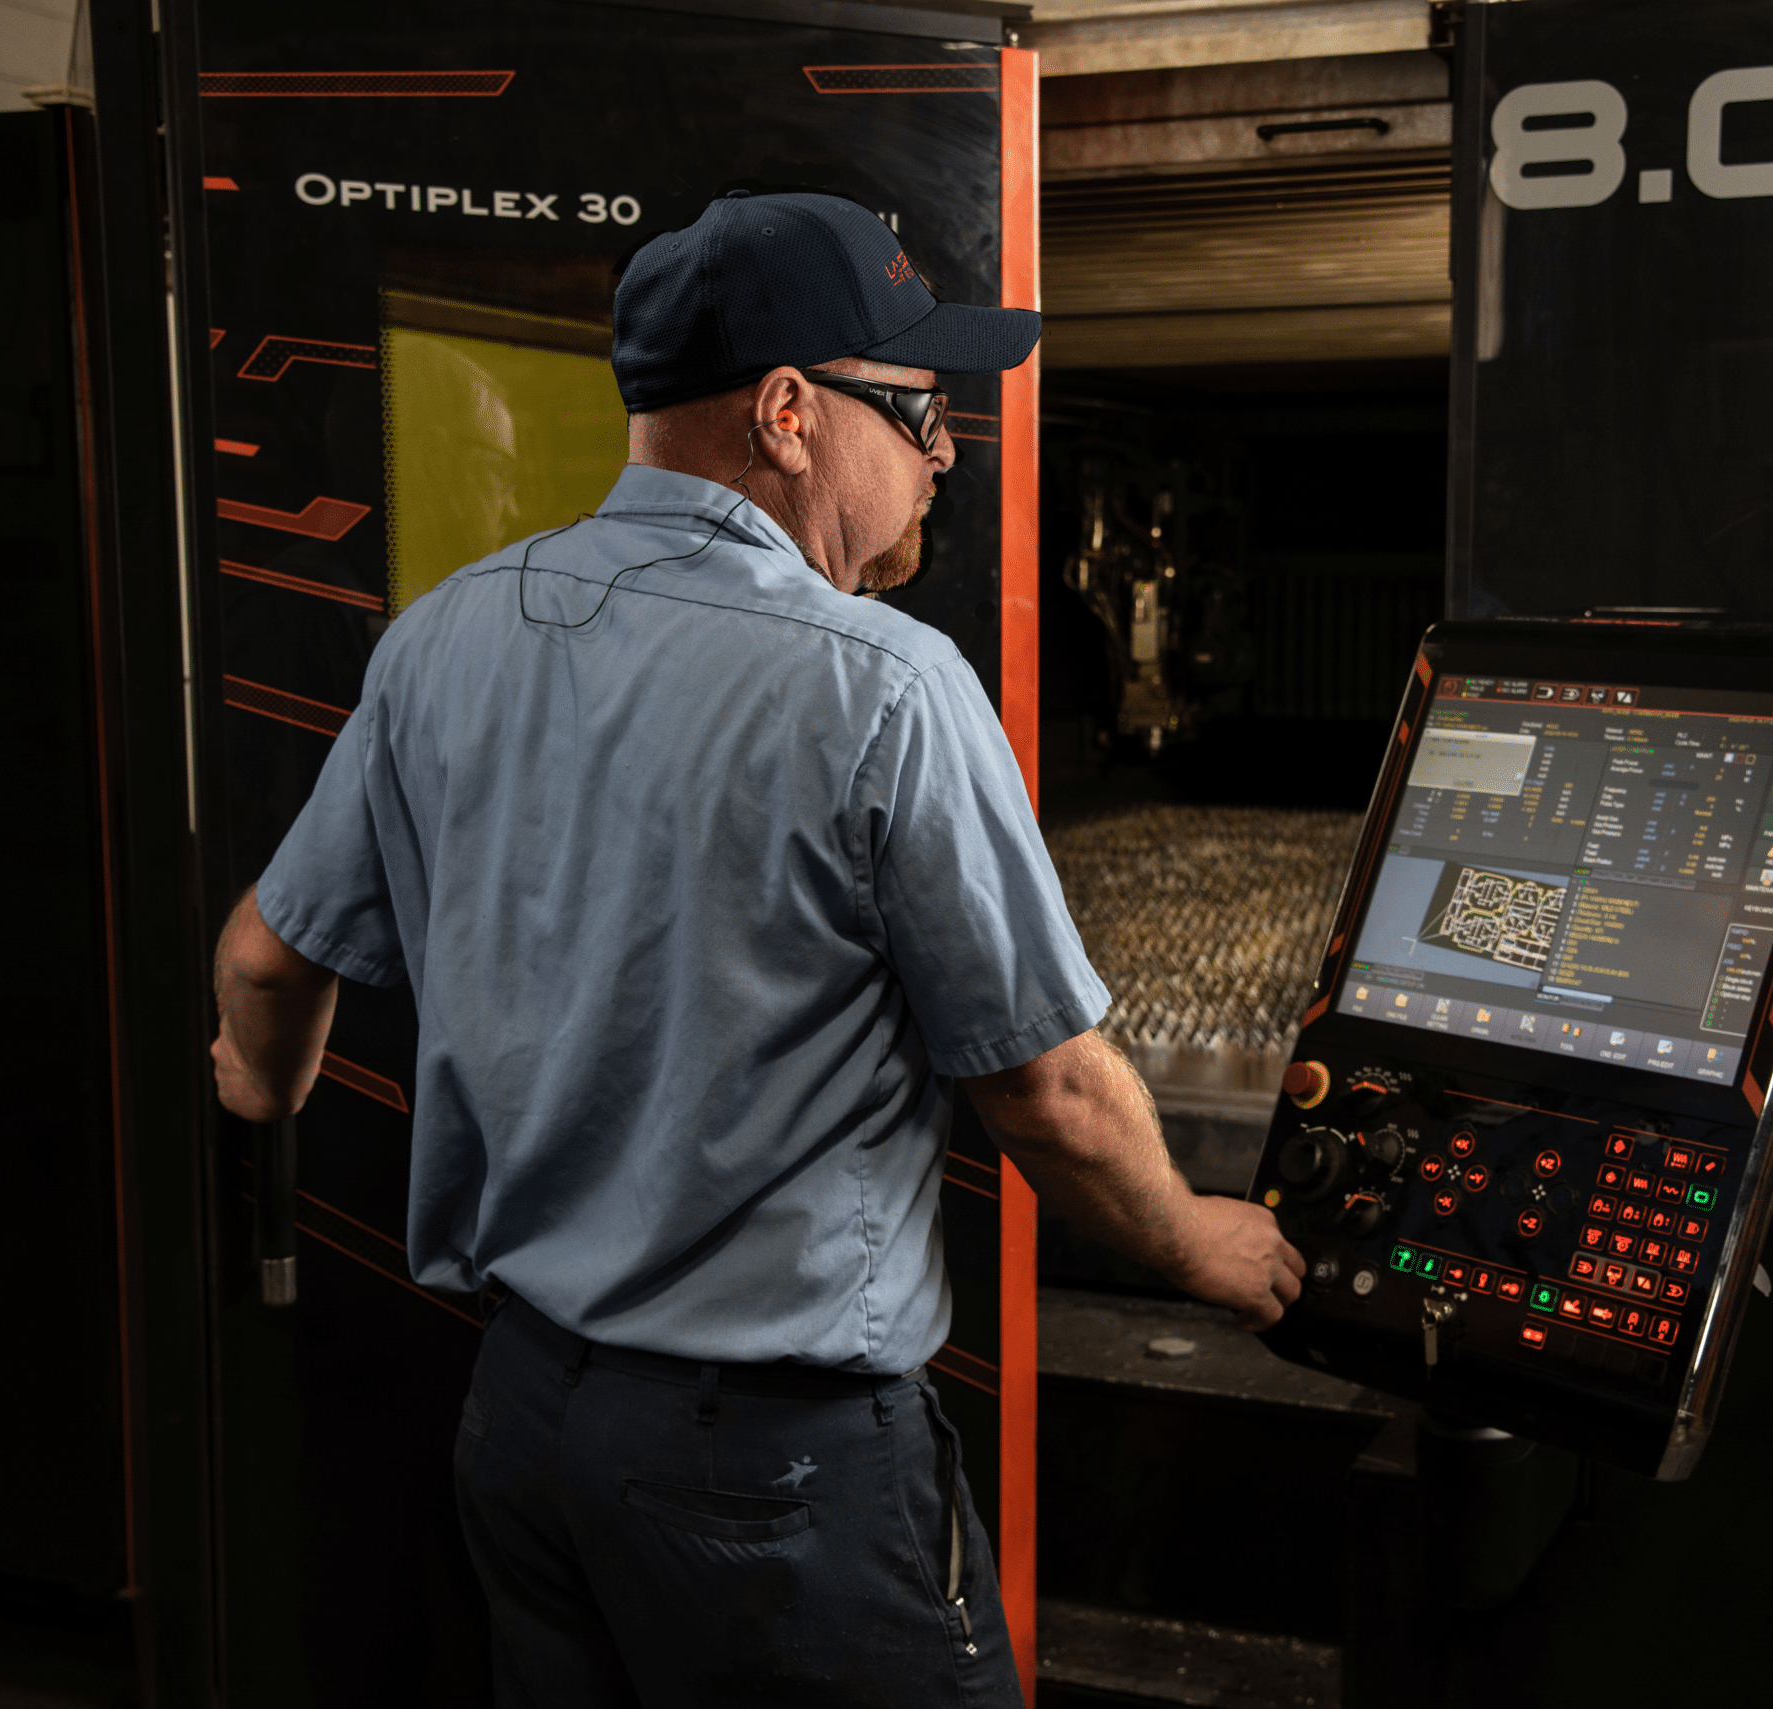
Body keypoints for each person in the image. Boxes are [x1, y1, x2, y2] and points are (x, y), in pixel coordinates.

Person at [207, 189, 1303, 1708]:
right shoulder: (887, 688)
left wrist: (262, 1096)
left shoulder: (443, 640)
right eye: (916, 407)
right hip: (775, 1487)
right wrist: (1196, 1239)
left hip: (524, 1432)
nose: (942, 454)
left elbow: (268, 964)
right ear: (788, 413)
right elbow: (1046, 1089)